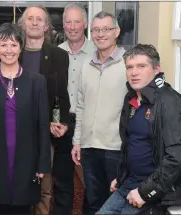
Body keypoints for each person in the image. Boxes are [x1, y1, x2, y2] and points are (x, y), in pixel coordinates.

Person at [96, 44, 181, 214]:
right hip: (126, 186)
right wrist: (121, 177)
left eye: (142, 66)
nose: (134, 73)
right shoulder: (131, 98)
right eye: (130, 67)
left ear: (156, 69)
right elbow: (131, 143)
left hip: (150, 193)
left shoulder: (172, 104)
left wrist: (145, 192)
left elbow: (177, 158)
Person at [0, 22, 51, 214]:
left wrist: (42, 164)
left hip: (27, 160)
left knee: (23, 207)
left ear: (21, 48)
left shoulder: (37, 81)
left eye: (14, 45)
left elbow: (42, 125)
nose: (9, 50)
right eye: (4, 44)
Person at [71, 11, 127, 215]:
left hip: (116, 148)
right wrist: (77, 141)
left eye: (106, 29)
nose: (100, 34)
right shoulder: (86, 64)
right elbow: (80, 105)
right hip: (88, 148)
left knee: (115, 203)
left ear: (117, 32)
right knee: (93, 201)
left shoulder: (128, 63)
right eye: (96, 30)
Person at [17, 5, 71, 215]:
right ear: (23, 24)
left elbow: (62, 95)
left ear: (47, 25)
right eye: (30, 18)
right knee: (19, 183)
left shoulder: (59, 55)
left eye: (40, 19)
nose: (35, 22)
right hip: (16, 131)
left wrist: (63, 122)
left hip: (45, 132)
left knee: (44, 186)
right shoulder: (12, 51)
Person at [57, 3, 97, 215]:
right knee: (62, 182)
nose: (72, 26)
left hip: (88, 125)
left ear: (85, 24)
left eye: (76, 21)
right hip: (62, 125)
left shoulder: (96, 53)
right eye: (68, 22)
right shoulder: (55, 53)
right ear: (63, 25)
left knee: (91, 181)